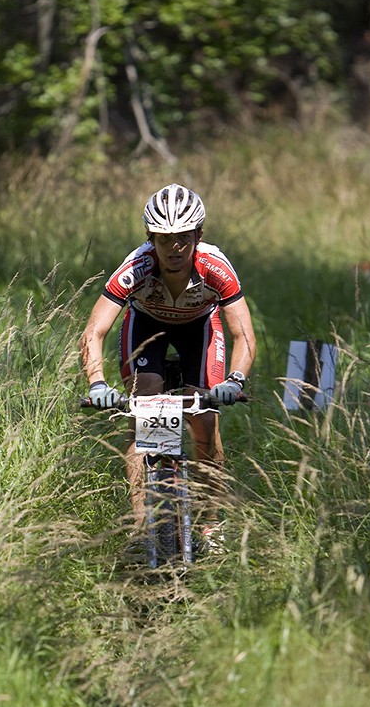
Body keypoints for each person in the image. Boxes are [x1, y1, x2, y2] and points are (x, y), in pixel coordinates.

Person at [79, 183, 256, 543]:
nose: (174, 248)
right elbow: (94, 330)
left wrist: (234, 381)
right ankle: (142, 526)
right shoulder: (136, 267)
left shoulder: (215, 267)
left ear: (198, 235)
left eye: (182, 238)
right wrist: (97, 383)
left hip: (200, 328)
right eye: (163, 239)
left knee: (204, 419)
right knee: (144, 418)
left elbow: (244, 335)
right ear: (150, 238)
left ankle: (210, 520)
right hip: (147, 326)